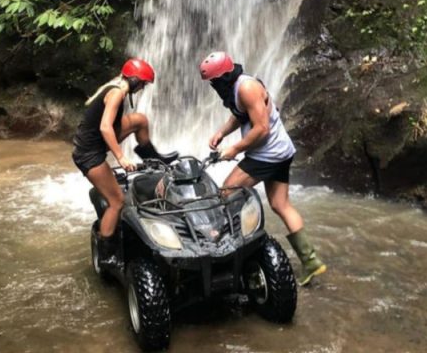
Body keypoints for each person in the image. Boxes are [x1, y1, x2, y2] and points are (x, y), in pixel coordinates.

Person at [199, 51, 326, 286]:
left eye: (214, 81)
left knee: (226, 193)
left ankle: (232, 254)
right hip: (280, 152)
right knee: (280, 205)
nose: (213, 86)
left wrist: (234, 149)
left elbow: (262, 129)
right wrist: (221, 133)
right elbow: (241, 114)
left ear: (225, 76)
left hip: (267, 154)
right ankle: (311, 261)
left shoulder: (247, 88)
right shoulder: (237, 88)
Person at [72, 58, 178, 260]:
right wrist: (120, 157)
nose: (143, 88)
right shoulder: (117, 93)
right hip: (89, 153)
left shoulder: (117, 85)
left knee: (140, 120)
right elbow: (105, 127)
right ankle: (107, 254)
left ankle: (153, 158)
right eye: (143, 84)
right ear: (136, 81)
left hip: (93, 143)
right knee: (117, 201)